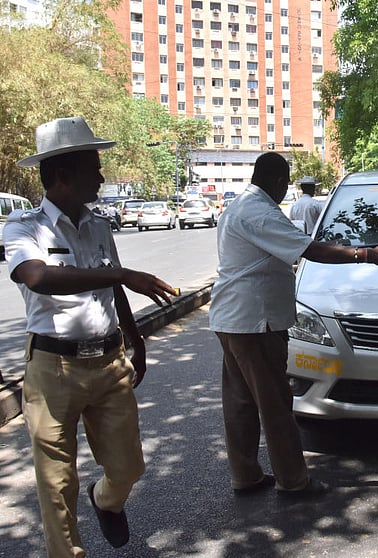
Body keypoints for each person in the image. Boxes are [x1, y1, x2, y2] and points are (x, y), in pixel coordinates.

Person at [5, 116, 178, 555]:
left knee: (128, 467)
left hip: (108, 362)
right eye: (93, 167)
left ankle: (106, 501)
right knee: (56, 482)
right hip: (52, 368)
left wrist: (135, 338)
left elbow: (111, 285)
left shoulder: (100, 225)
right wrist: (120, 272)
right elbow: (36, 277)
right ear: (63, 174)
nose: (102, 176)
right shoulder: (23, 228)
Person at [209, 153, 378, 499]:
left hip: (233, 319)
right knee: (274, 403)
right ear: (277, 181)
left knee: (241, 402)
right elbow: (310, 249)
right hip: (257, 322)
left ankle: (245, 475)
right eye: (284, 182)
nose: (286, 188)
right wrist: (368, 255)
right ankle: (293, 480)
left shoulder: (241, 205)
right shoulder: (259, 212)